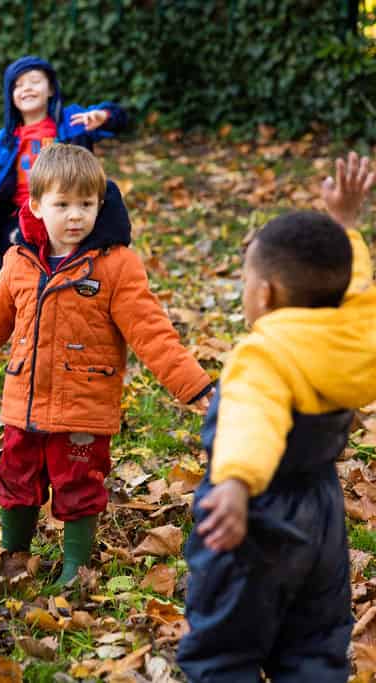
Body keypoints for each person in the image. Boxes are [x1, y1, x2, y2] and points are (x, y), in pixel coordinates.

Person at [0, 144, 212, 584]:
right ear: (37, 206)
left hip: (83, 403)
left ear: (102, 205)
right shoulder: (19, 261)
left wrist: (192, 385)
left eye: (86, 204)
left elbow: (151, 332)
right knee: (16, 478)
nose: (75, 216)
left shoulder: (116, 265)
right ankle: (14, 553)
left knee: (79, 481)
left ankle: (76, 564)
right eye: (63, 205)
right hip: (24, 399)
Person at [178, 152, 376, 682]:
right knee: (314, 649)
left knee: (224, 653)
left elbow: (252, 417)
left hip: (255, 518)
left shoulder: (265, 353)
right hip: (323, 518)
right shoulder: (355, 338)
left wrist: (238, 484)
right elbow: (355, 292)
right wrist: (346, 224)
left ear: (263, 293)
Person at [0, 55, 128, 262]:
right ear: (10, 96)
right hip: (20, 215)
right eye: (18, 85)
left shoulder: (71, 123)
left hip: (68, 207)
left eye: (34, 81)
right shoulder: (4, 140)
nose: (26, 88)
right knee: (16, 262)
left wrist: (103, 116)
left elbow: (120, 119)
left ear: (50, 89)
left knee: (72, 263)